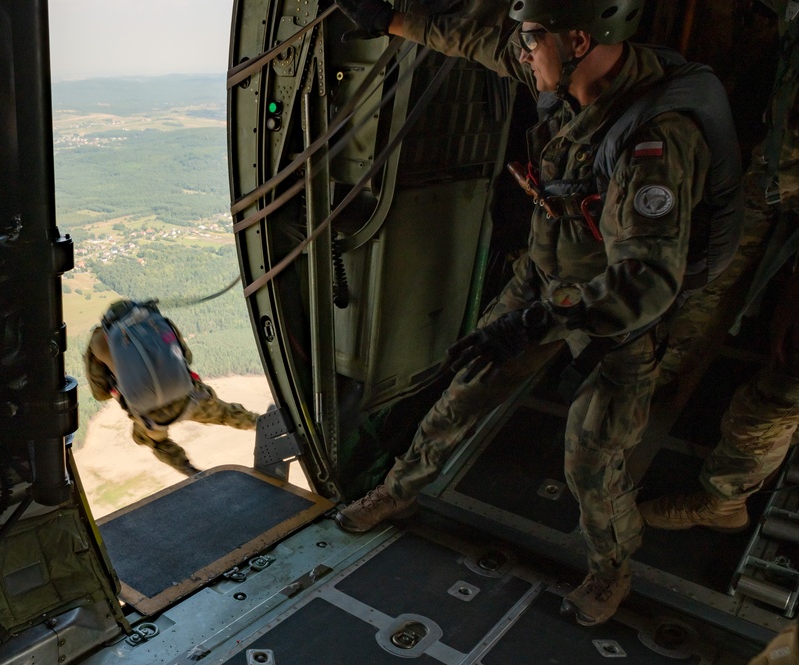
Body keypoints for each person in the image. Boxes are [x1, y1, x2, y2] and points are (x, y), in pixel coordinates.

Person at [332, 0, 742, 626]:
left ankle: (610, 570)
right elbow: (473, 39)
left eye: (531, 40)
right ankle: (398, 490)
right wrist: (390, 20)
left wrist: (539, 322)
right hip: (543, 278)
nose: (520, 54)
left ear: (577, 39)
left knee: (591, 454)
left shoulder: (655, 141)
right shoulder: (559, 69)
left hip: (615, 311)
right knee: (466, 389)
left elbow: (650, 279)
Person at [638, 0, 799, 533]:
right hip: (778, 173)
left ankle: (724, 500)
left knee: (787, 377)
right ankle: (654, 379)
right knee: (710, 273)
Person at [84, 299, 259, 476]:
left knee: (151, 439)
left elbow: (100, 393)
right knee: (224, 413)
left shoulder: (98, 340)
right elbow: (186, 357)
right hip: (186, 396)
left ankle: (189, 470)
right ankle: (261, 424)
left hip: (149, 414)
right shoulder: (151, 320)